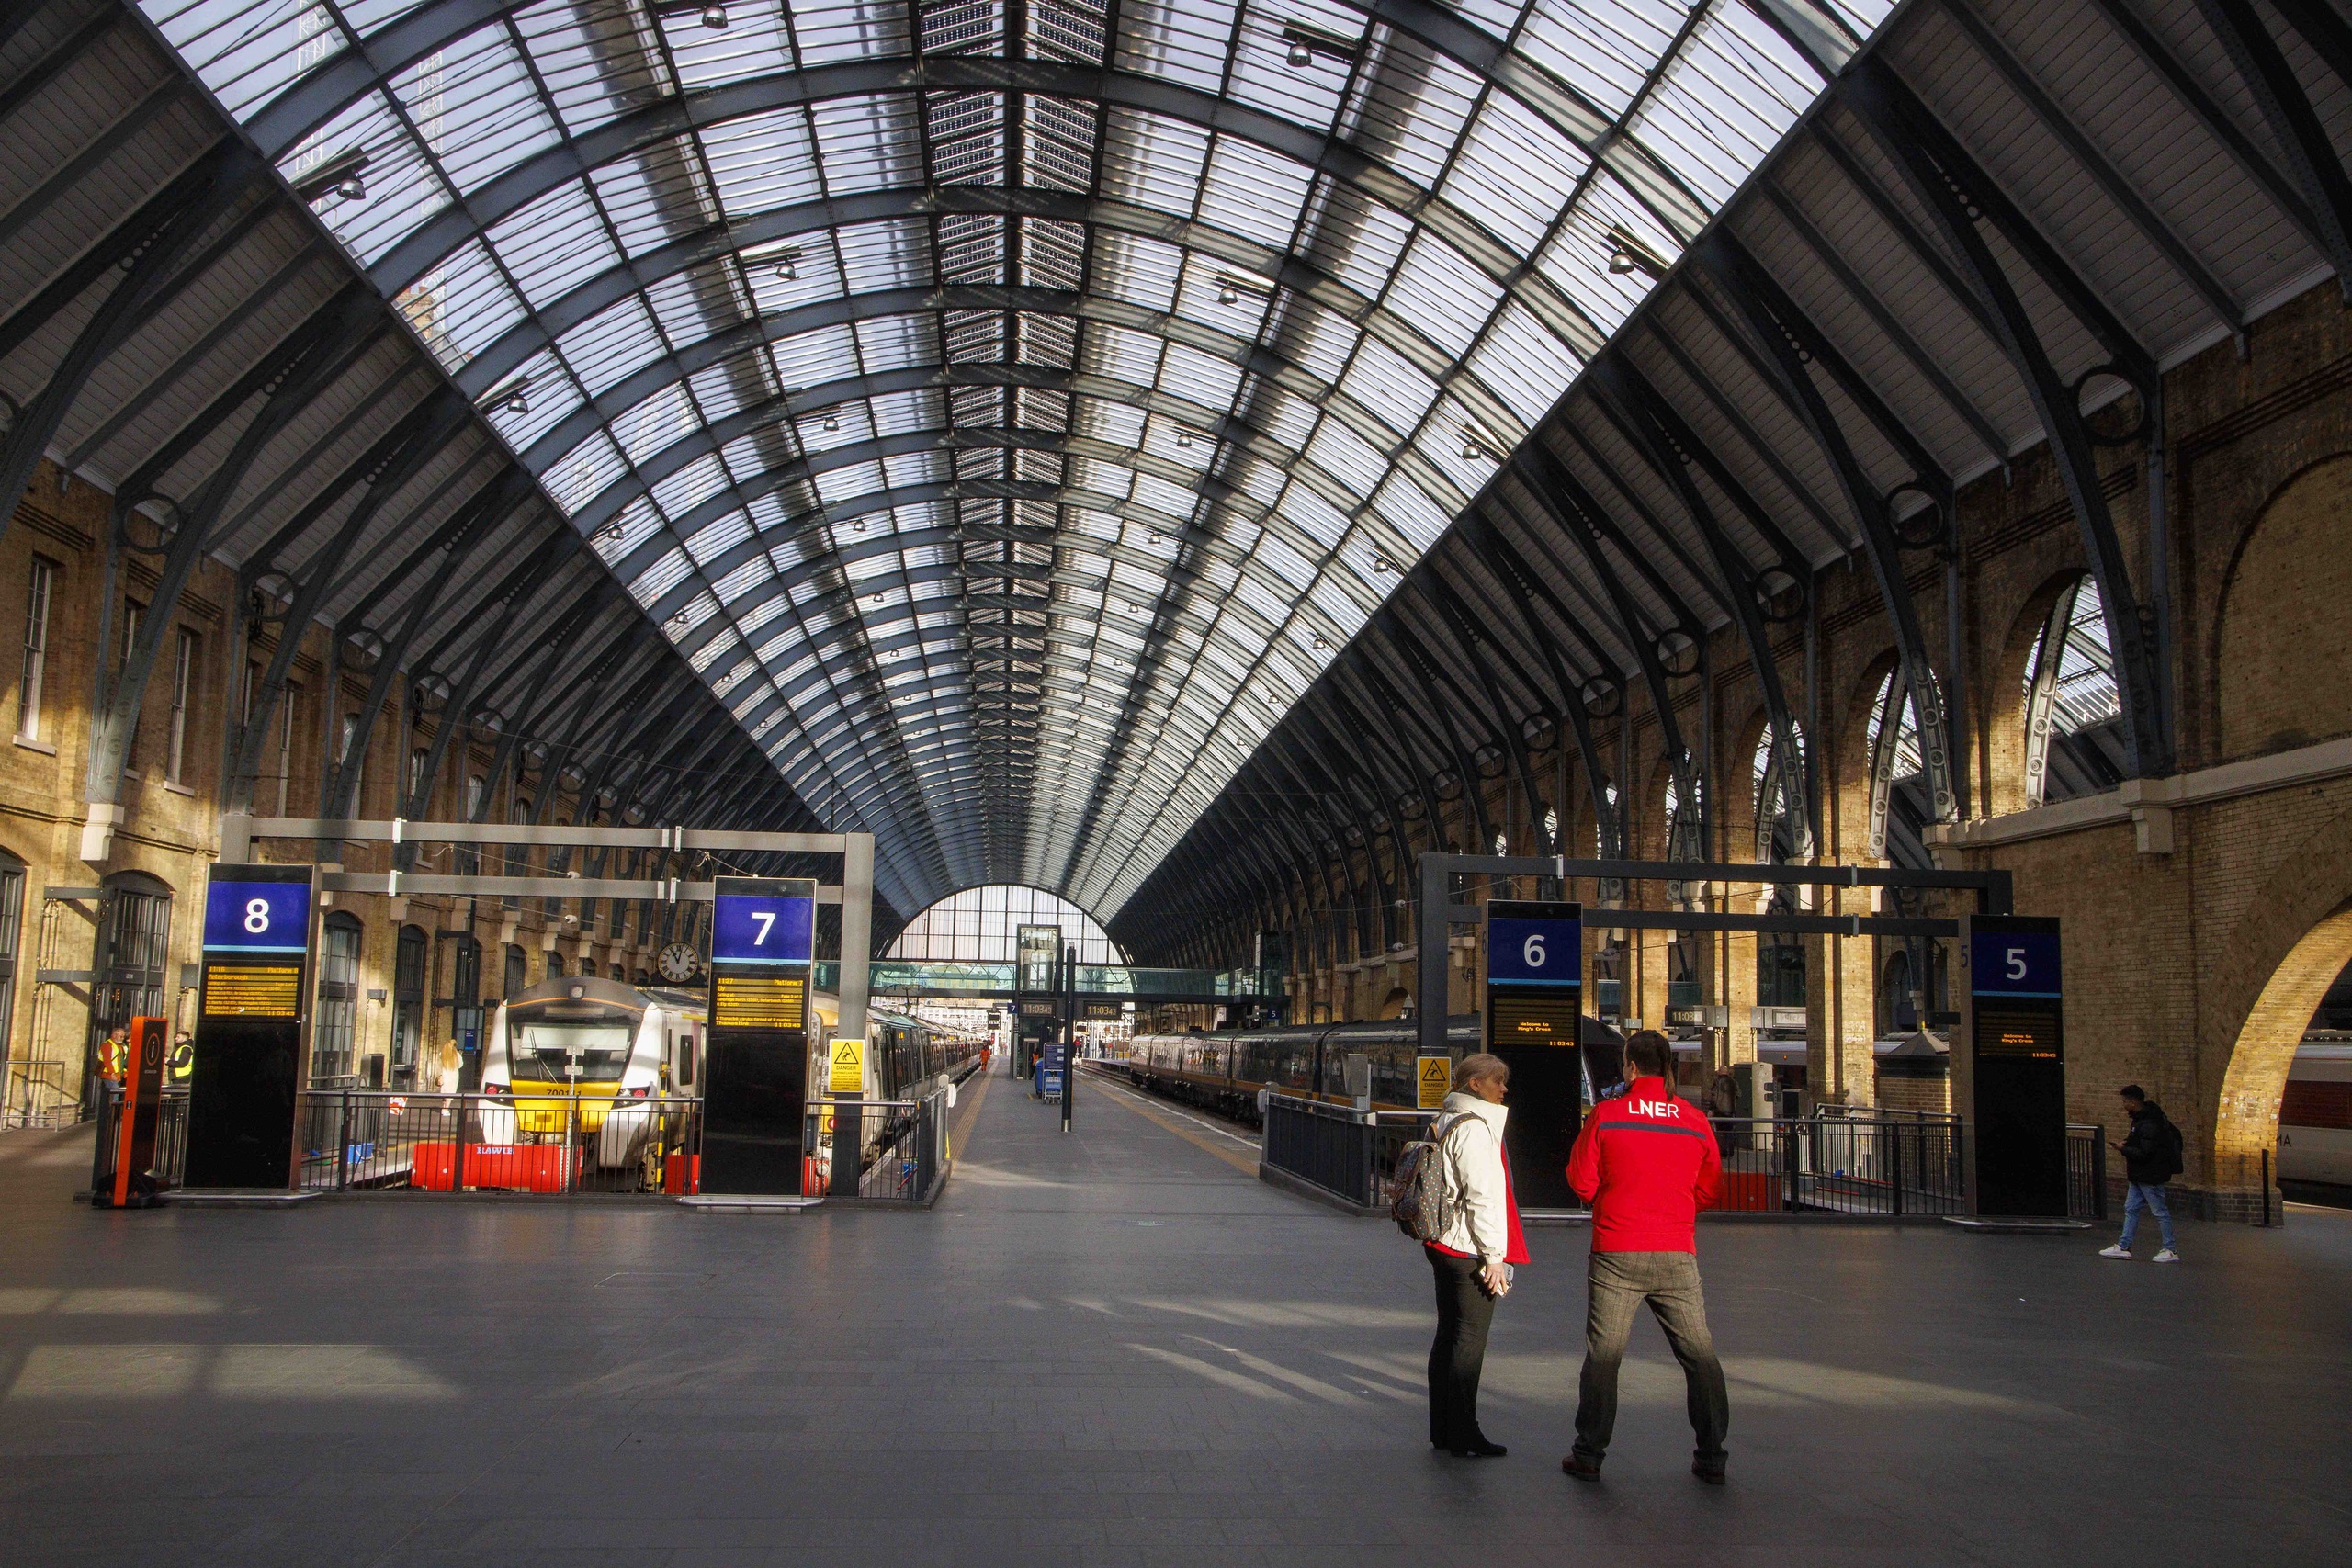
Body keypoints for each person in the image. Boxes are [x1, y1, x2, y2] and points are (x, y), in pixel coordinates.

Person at [1562, 1030, 1730, 1484]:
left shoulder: (1607, 1115)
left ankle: (1589, 1454)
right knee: (1699, 1355)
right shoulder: (1695, 1121)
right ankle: (1712, 1456)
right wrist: (1672, 1208)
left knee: (1605, 1356)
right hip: (1677, 1252)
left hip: (1617, 1251)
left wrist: (1612, 1199)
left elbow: (1580, 1181)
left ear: (1630, 1067)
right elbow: (1711, 1189)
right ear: (1667, 1067)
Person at [1423, 1052, 1529, 1460]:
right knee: (1469, 1341)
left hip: (1442, 1244)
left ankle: (1443, 1428)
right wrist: (1494, 1257)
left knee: (1448, 1334)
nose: (1503, 1089)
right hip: (1467, 1248)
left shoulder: (1445, 1119)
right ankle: (1464, 1431)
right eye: (1496, 1081)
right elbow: (1484, 1198)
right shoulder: (1475, 1128)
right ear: (1474, 1085)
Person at [2099, 1084, 2182, 1263]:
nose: (2123, 1105)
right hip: (2140, 1175)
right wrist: (2127, 1143)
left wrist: (2124, 1149)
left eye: (2124, 1101)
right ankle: (2124, 1246)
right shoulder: (2143, 1119)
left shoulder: (2148, 1123)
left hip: (2149, 1175)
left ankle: (2170, 1249)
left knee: (2159, 1211)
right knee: (2131, 1209)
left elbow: (2146, 1152)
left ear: (2133, 1102)